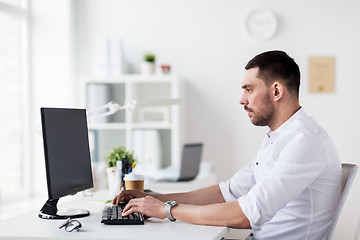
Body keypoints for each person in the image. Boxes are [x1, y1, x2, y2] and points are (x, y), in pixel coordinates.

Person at [113, 50, 342, 240]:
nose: (241, 100)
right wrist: (153, 200)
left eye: (249, 89)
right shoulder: (279, 136)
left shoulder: (303, 141)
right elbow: (228, 192)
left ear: (276, 91)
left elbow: (246, 215)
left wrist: (166, 210)